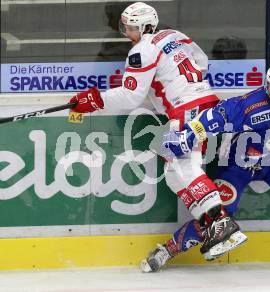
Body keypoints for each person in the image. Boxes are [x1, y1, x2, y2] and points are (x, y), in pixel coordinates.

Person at [68, 2, 246, 264]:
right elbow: (201, 62)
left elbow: (130, 96)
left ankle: (221, 222)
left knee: (184, 163)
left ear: (143, 27)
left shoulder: (141, 51)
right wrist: (170, 92)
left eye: (129, 27)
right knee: (173, 172)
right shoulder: (174, 35)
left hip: (186, 110)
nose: (125, 32)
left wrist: (95, 101)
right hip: (204, 104)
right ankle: (209, 222)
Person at [148, 60, 270, 273]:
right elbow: (218, 116)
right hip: (236, 165)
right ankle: (167, 251)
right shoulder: (251, 104)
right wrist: (189, 134)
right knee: (216, 218)